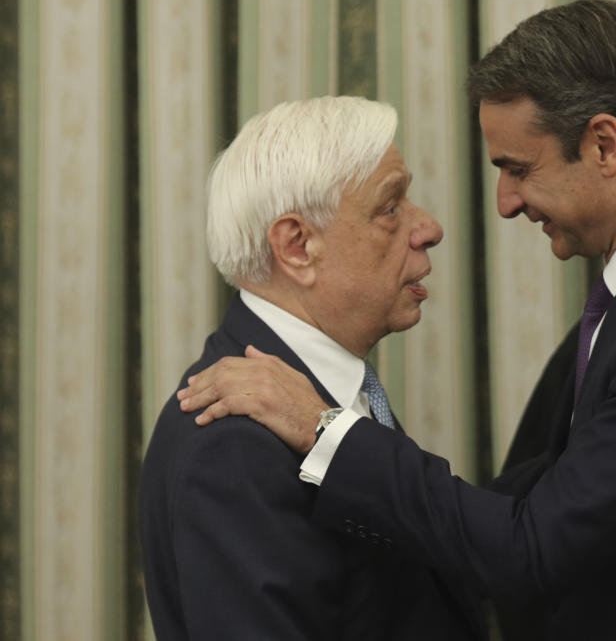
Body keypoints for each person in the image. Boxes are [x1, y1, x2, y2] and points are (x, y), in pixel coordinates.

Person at [177, 0, 616, 639]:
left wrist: (326, 430)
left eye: (518, 169)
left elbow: (533, 547)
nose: (505, 202)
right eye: (390, 207)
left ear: (606, 145)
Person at [138, 96, 485, 640]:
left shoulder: (323, 394)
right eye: (390, 207)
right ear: (297, 246)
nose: (429, 227)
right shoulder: (233, 447)